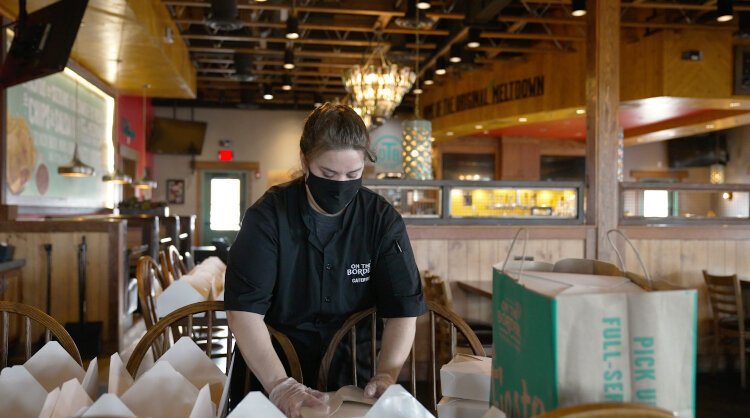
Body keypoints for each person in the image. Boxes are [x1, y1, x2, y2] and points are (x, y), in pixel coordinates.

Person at [225, 103, 426, 418]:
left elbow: (402, 311)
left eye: (353, 175)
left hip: (354, 379)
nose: (340, 184)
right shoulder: (268, 217)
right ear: (304, 161)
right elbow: (243, 313)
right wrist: (279, 385)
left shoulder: (381, 220)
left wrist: (387, 373)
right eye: (328, 174)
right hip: (269, 375)